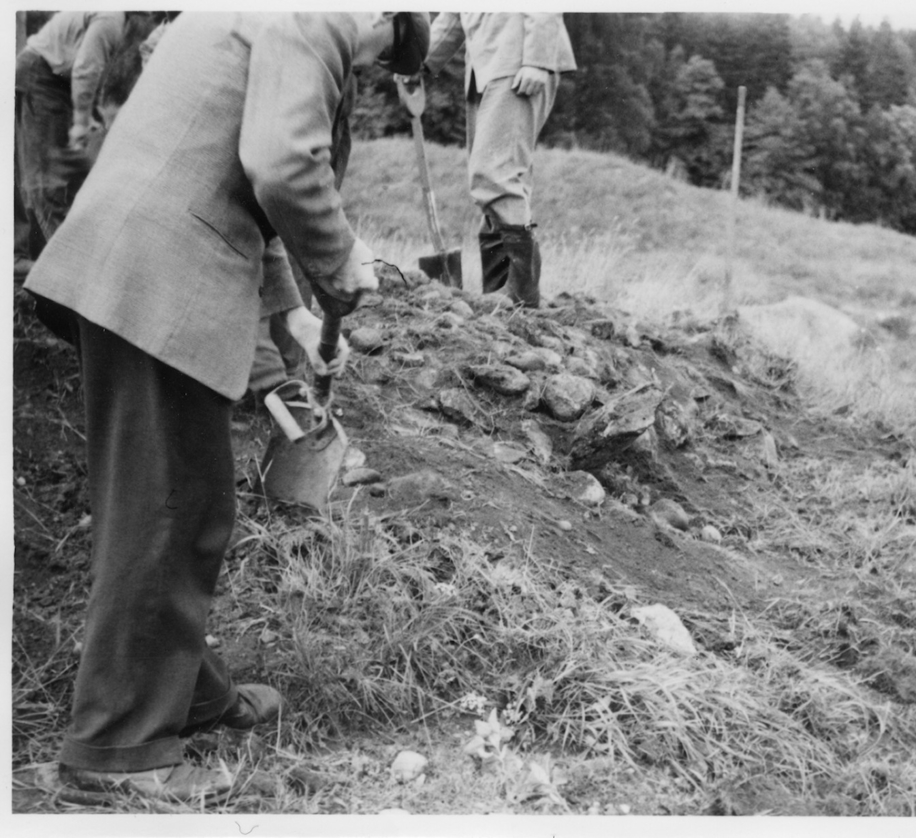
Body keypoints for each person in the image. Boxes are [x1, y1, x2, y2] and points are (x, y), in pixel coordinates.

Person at [22, 12, 429, 804]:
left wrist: (294, 315)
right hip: (160, 270)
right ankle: (117, 751)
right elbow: (280, 166)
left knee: (176, 503)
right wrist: (342, 261)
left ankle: (188, 695)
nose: (366, 69)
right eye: (381, 55)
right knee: (168, 510)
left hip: (129, 259)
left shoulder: (250, 14)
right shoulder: (316, 16)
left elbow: (242, 182)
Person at [421, 13, 575, 307]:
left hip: (519, 62)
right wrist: (418, 62)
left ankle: (522, 295)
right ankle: (502, 295)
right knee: (496, 180)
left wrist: (537, 60)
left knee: (494, 174)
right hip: (487, 66)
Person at [14, 12, 161, 262]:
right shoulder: (111, 20)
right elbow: (86, 68)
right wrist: (81, 122)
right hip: (41, 75)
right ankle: (72, 266)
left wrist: (90, 113)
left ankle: (91, 251)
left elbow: (94, 67)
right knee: (48, 183)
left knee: (76, 172)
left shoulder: (119, 25)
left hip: (58, 80)